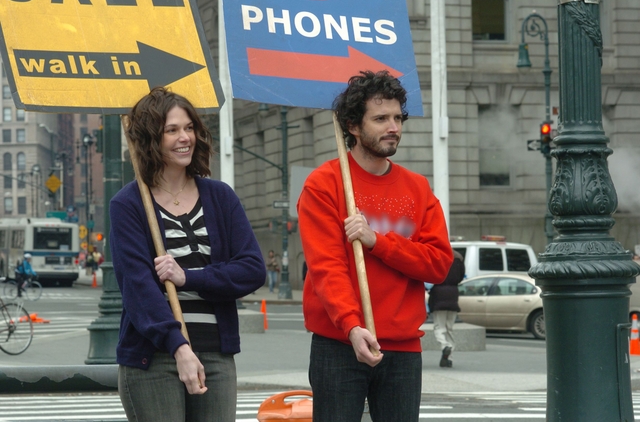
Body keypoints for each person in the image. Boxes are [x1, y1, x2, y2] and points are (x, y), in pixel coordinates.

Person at [297, 71, 453, 422]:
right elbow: (326, 268)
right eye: (381, 118)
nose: (393, 126)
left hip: (402, 348)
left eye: (397, 118)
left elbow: (438, 263)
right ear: (353, 125)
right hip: (339, 344)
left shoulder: (417, 188)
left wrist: (377, 242)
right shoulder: (324, 184)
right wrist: (352, 326)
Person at [110, 86, 266, 422]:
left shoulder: (220, 196)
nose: (185, 138)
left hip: (216, 356)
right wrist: (178, 345)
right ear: (152, 138)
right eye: (172, 130)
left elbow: (252, 269)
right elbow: (138, 288)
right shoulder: (129, 204)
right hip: (154, 358)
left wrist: (188, 276)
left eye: (189, 127)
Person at [428, 250, 465, 368]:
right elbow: (460, 277)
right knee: (449, 328)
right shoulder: (458, 258)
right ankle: (449, 359)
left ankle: (445, 346)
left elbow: (431, 274)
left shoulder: (438, 254)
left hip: (438, 295)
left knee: (439, 327)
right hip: (454, 296)